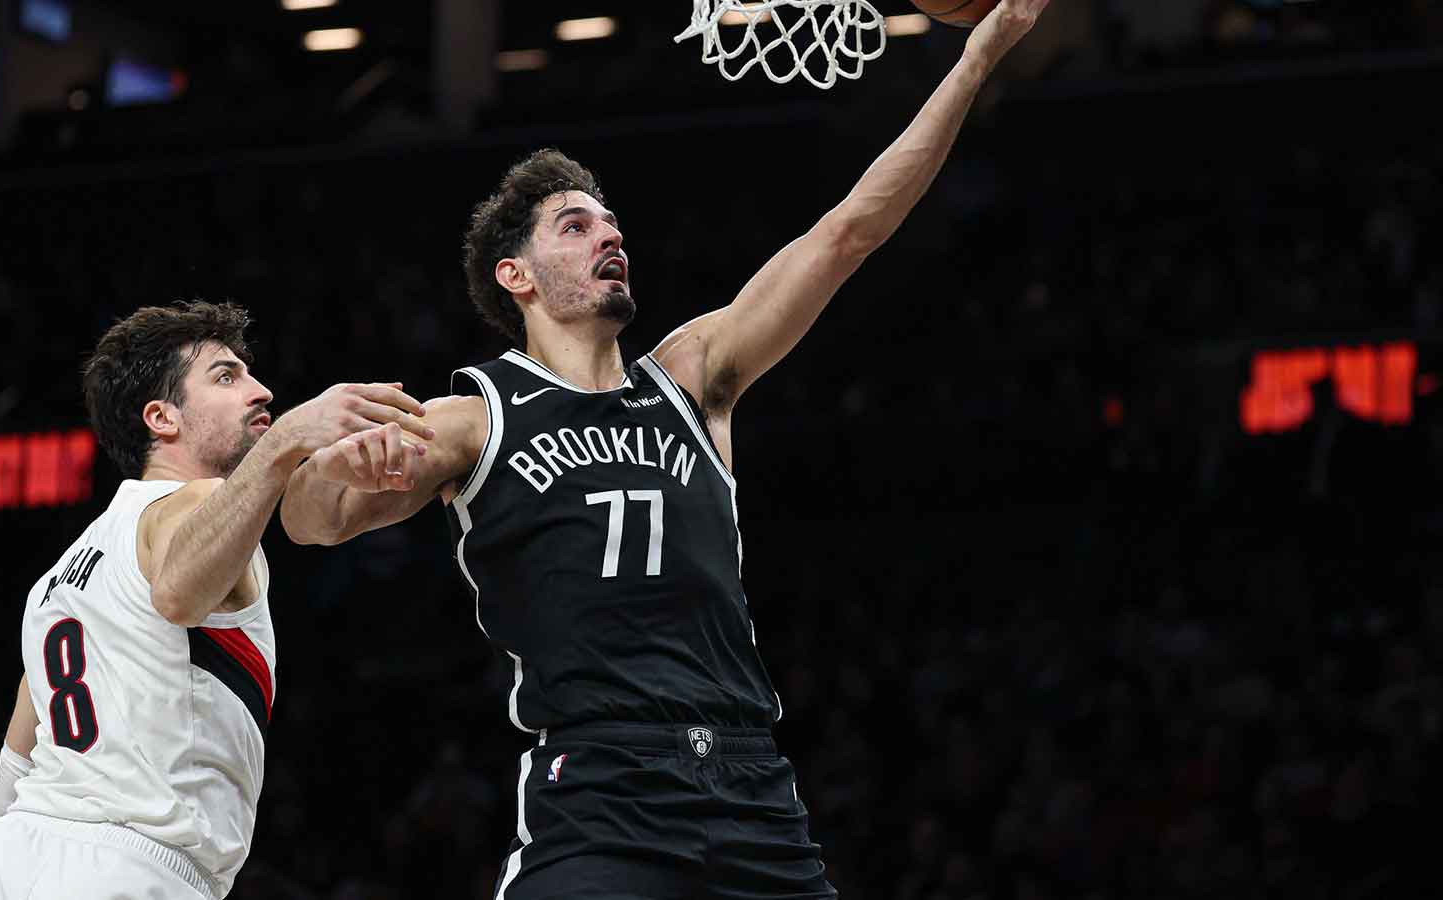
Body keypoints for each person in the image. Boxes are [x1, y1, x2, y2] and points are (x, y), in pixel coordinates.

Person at [280, 3, 1052, 896]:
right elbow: (310, 522)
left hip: (748, 781)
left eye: (610, 223)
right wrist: (332, 473)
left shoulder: (693, 376)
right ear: (515, 276)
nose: (610, 235)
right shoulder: (478, 415)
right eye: (575, 225)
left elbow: (849, 232)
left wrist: (981, 55)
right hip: (604, 792)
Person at [0, 301, 429, 899]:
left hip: (2, 861)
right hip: (127, 868)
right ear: (161, 418)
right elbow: (177, 591)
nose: (261, 391)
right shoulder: (188, 505)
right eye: (227, 377)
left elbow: (11, 775)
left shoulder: (58, 578)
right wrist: (288, 440)